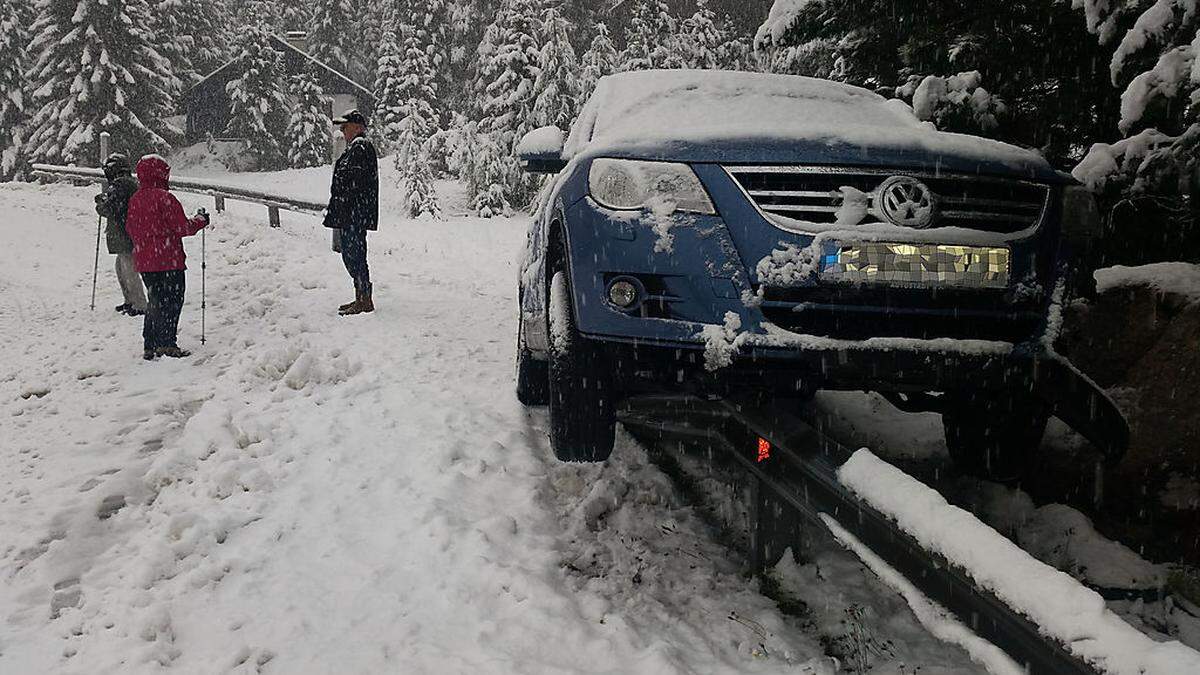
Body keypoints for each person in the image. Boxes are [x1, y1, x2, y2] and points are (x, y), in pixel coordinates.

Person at [124, 155, 209, 361]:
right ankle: (167, 344)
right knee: (172, 302)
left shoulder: (136, 199)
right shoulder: (165, 198)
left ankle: (150, 343)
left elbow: (129, 228)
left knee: (155, 300)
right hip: (168, 259)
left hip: (145, 261)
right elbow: (182, 227)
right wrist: (200, 221)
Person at [324, 109, 379, 316]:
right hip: (352, 213)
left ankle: (364, 299)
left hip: (355, 213)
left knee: (354, 255)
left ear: (357, 127)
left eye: (345, 127)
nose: (342, 131)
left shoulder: (360, 147)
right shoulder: (355, 147)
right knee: (351, 255)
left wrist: (344, 202)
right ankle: (361, 296)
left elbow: (353, 182)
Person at [93, 153, 147, 316]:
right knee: (122, 268)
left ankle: (138, 303)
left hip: (123, 233)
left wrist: (101, 204)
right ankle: (131, 301)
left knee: (128, 269)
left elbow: (110, 208)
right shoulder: (129, 183)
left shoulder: (120, 185)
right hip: (128, 231)